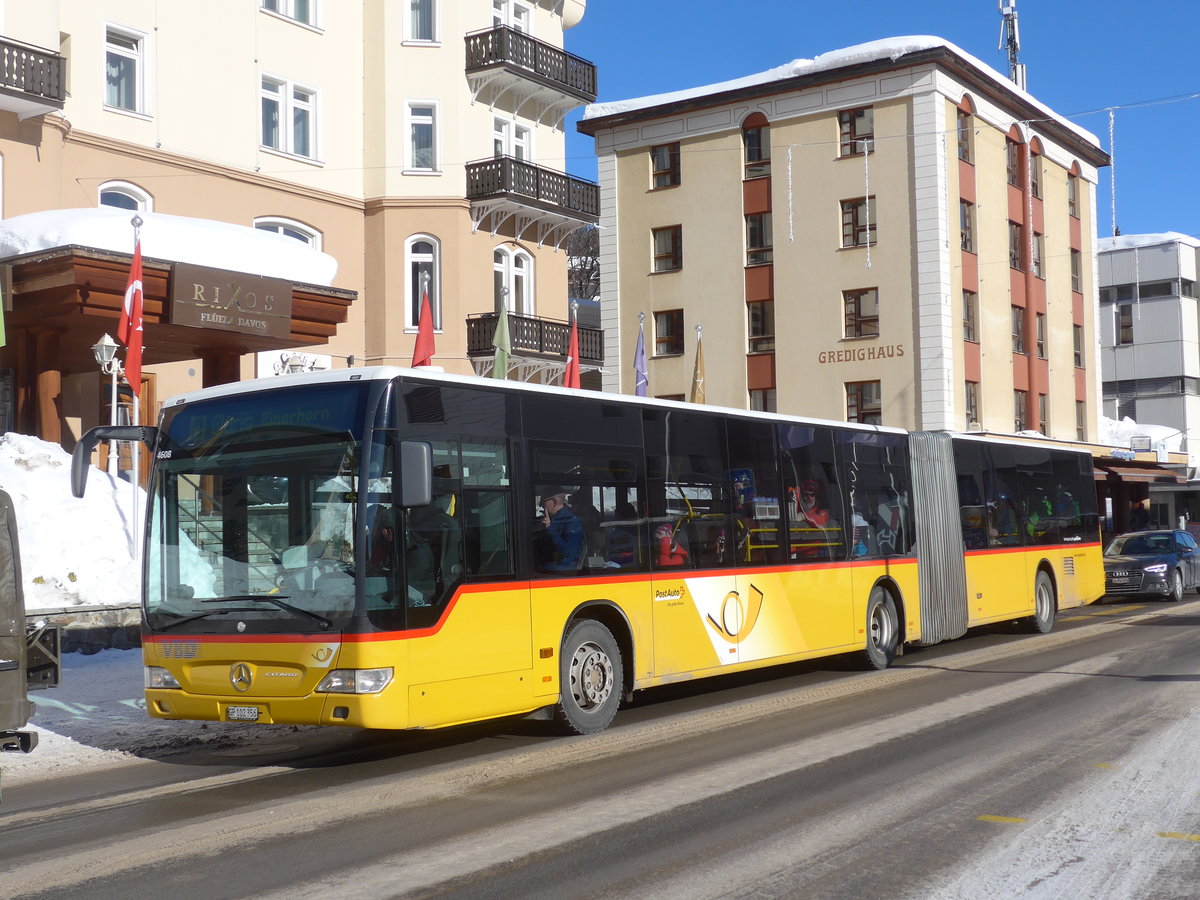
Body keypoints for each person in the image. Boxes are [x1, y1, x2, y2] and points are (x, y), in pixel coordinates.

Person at [535, 487, 585, 572]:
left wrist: (549, 529)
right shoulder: (552, 520)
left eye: (543, 501)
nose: (540, 505)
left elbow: (568, 551)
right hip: (550, 565)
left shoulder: (572, 521)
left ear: (554, 502)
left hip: (563, 569)